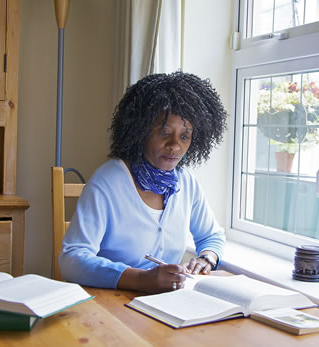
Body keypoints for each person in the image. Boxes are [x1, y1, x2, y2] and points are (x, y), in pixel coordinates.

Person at [59, 71, 227, 293]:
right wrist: (141, 279)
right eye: (164, 133)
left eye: (184, 136)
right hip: (110, 306)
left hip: (166, 305)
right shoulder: (108, 181)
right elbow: (72, 259)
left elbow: (212, 235)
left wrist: (207, 258)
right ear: (141, 132)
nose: (175, 145)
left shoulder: (187, 183)